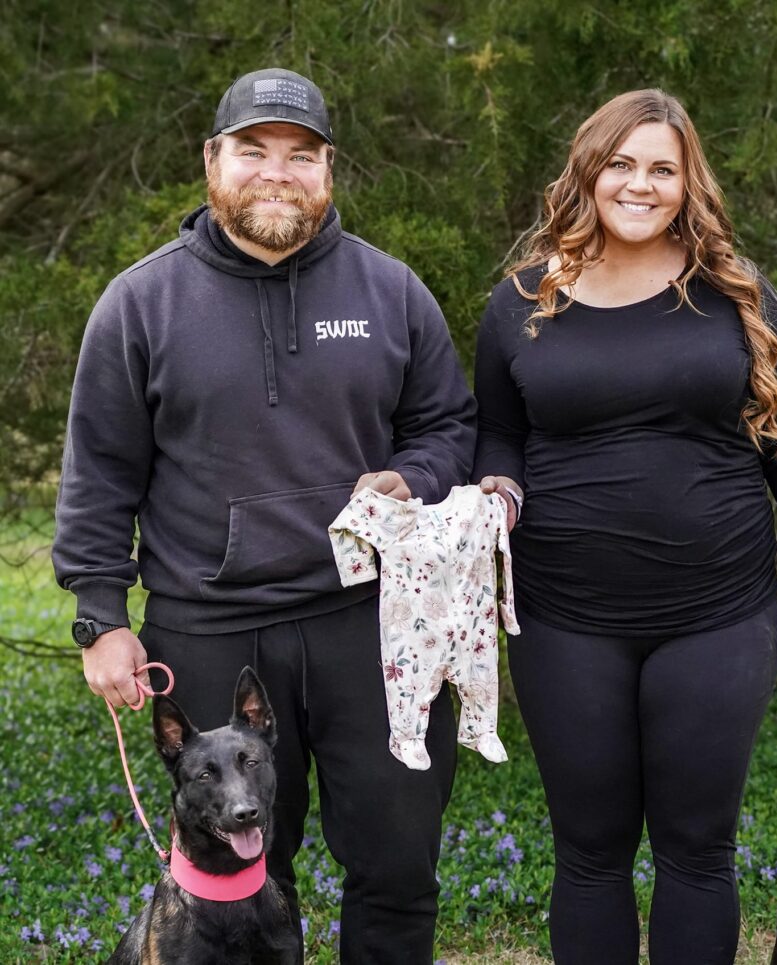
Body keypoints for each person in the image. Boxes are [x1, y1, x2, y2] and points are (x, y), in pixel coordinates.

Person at [53, 67, 475, 963]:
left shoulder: (392, 292)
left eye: (300, 155)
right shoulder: (140, 304)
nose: (276, 172)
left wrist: (412, 473)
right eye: (253, 151)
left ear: (328, 171)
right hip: (207, 627)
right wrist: (101, 617)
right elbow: (99, 470)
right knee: (235, 884)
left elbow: (447, 424)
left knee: (399, 867)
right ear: (213, 160)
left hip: (373, 624)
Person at [473, 89, 777, 964]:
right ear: (588, 171)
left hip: (718, 615)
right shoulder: (521, 303)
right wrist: (495, 484)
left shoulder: (737, 293)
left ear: (689, 184)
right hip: (564, 619)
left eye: (662, 168)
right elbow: (498, 429)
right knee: (590, 855)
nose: (640, 185)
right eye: (621, 164)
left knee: (696, 852)